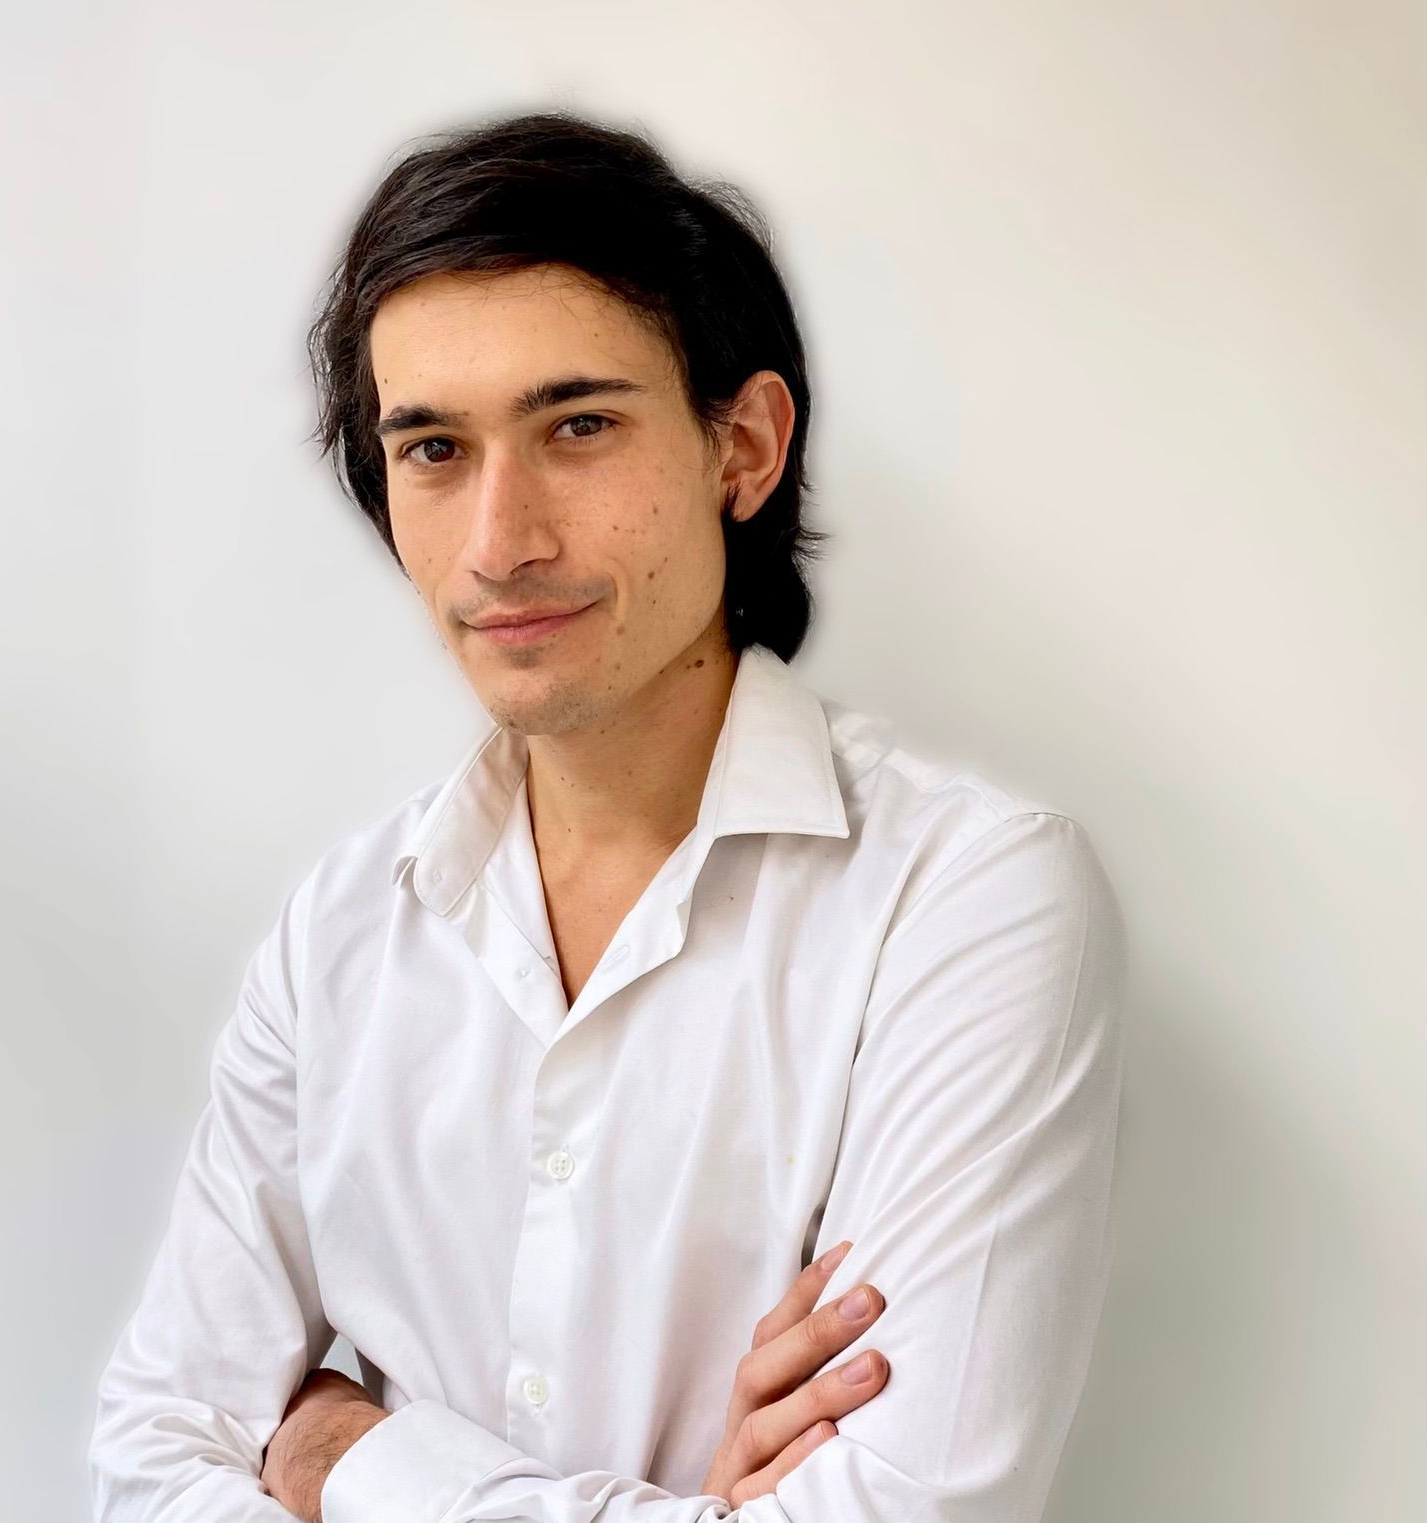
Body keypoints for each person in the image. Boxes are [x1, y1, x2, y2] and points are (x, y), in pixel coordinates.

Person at [88, 108, 1128, 1523]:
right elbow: (149, 1467)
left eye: (577, 426)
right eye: (434, 450)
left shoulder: (967, 901)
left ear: (742, 447)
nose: (500, 542)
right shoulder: (340, 932)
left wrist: (355, 1461)